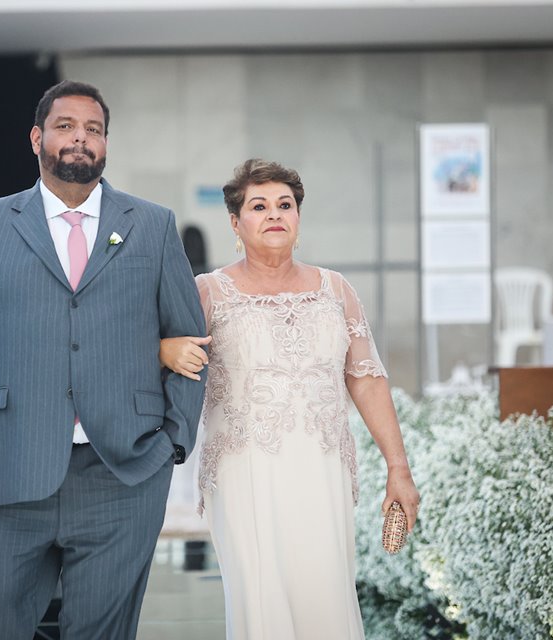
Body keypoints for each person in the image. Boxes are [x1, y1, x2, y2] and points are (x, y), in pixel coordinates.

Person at [0, 80, 206, 639]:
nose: (80, 140)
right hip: (13, 464)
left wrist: (174, 440)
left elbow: (190, 340)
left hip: (123, 471)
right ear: (36, 138)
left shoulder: (153, 226)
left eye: (93, 130)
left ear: (106, 145)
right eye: (66, 126)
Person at [159, 159, 420, 640]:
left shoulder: (335, 289)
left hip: (324, 472)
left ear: (298, 218)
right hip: (243, 473)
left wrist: (397, 467)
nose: (275, 213)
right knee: (262, 603)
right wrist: (162, 349)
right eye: (259, 206)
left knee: (327, 597)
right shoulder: (207, 292)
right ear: (235, 224)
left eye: (285, 205)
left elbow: (365, 378)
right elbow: (161, 357)